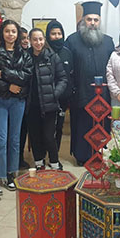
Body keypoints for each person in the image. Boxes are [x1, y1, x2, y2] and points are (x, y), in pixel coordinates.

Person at [0, 20, 33, 196]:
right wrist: (8, 86)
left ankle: (12, 174)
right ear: (2, 33)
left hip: (18, 100)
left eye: (13, 31)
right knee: (1, 139)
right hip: (0, 99)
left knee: (15, 139)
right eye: (7, 31)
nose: (10, 34)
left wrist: (4, 73)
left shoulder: (25, 55)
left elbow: (26, 76)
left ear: (17, 34)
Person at [65, 1, 115, 165]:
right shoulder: (72, 41)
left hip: (103, 95)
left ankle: (101, 154)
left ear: (99, 21)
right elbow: (67, 69)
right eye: (89, 19)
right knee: (82, 126)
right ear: (83, 21)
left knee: (102, 125)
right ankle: (82, 156)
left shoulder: (108, 41)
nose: (92, 23)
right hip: (81, 93)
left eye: (96, 20)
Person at [27, 28, 68, 170]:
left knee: (49, 136)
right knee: (35, 135)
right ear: (30, 41)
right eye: (35, 39)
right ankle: (39, 162)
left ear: (44, 40)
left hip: (49, 104)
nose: (38, 42)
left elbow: (63, 78)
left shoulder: (52, 56)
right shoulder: (26, 57)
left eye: (40, 39)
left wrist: (55, 93)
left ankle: (54, 161)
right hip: (32, 104)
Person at [45, 20, 73, 155]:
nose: (57, 37)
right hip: (45, 98)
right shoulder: (43, 51)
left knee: (59, 128)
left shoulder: (67, 53)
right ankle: (43, 155)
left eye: (59, 33)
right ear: (48, 35)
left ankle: (54, 156)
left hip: (62, 98)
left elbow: (71, 74)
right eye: (53, 34)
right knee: (46, 129)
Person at [18, 27, 30, 169]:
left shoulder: (29, 54)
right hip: (15, 97)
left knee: (23, 131)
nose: (26, 41)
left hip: (27, 98)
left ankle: (19, 157)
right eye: (22, 38)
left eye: (27, 38)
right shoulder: (15, 55)